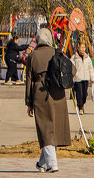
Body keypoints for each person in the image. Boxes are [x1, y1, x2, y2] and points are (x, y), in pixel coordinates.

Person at [26, 27, 70, 173]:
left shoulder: (32, 56)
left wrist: (29, 103)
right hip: (58, 92)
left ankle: (52, 164)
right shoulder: (57, 53)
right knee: (54, 129)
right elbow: (72, 70)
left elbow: (29, 80)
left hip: (40, 92)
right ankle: (42, 163)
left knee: (45, 129)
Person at [71, 40, 94, 114]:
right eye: (81, 47)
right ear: (78, 48)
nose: (82, 49)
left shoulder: (87, 58)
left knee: (84, 94)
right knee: (79, 93)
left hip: (85, 78)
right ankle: (80, 107)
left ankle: (82, 103)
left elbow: (90, 68)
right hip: (77, 78)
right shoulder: (74, 58)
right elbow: (71, 68)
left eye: (84, 47)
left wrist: (92, 78)